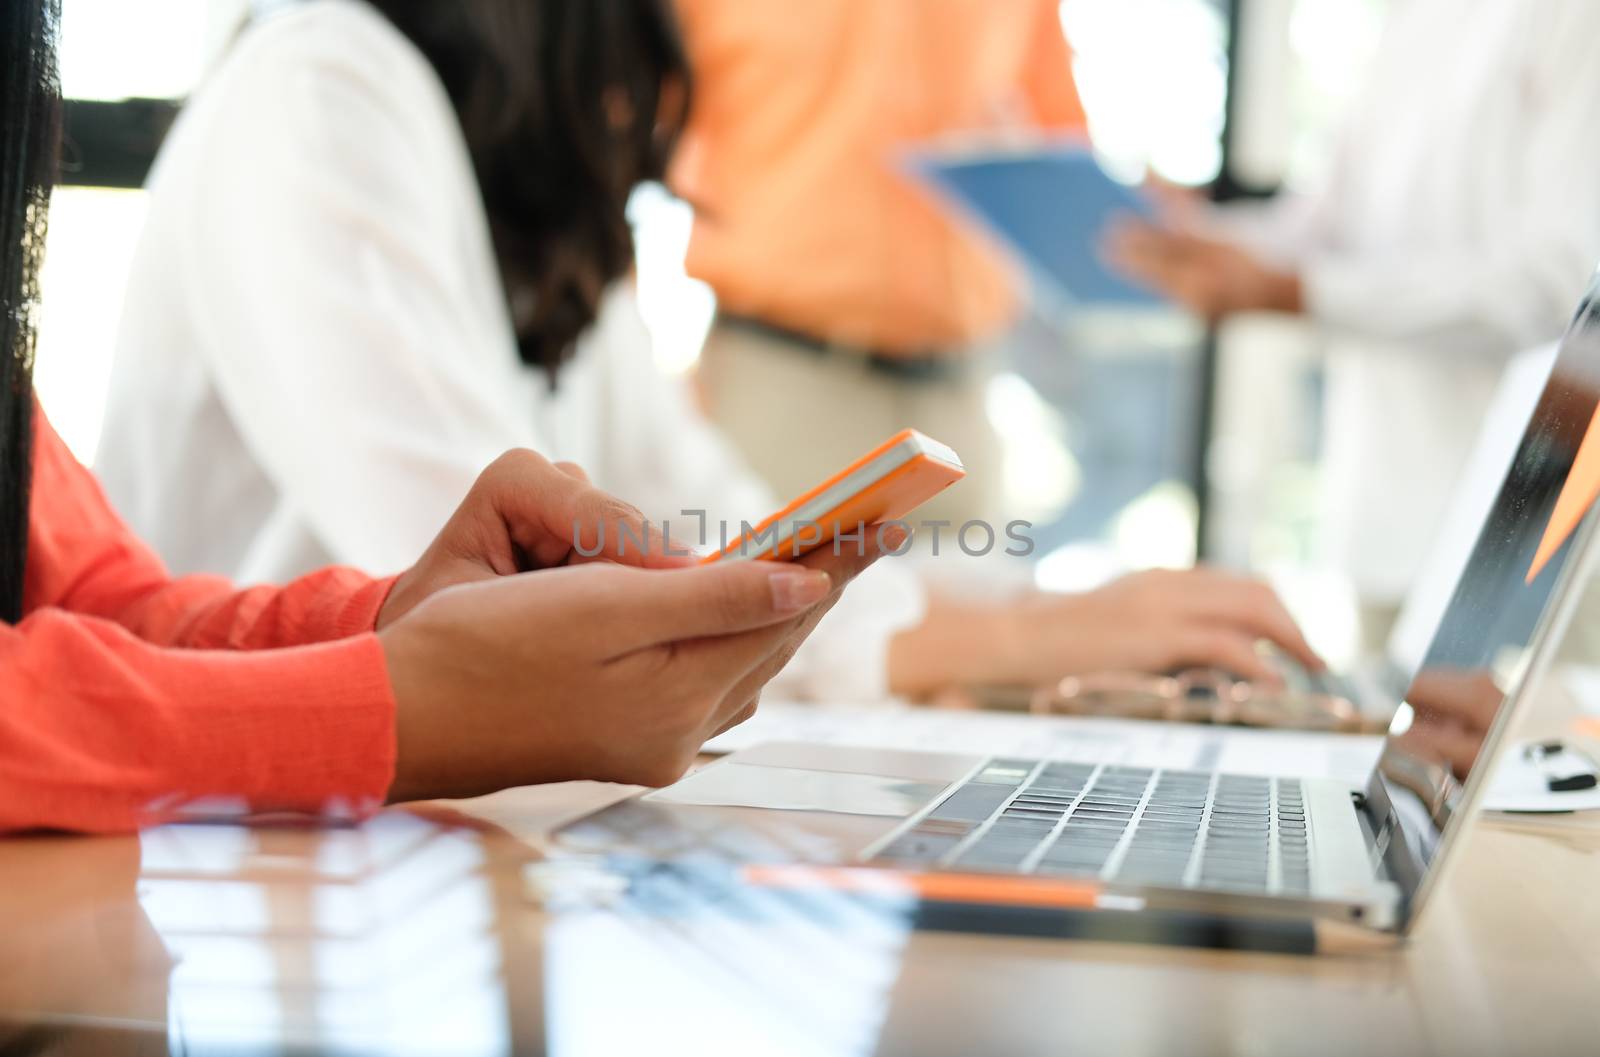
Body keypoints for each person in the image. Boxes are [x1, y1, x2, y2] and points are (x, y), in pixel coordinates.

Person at [96, 0, 1326, 706]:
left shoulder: (524, 156)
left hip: (425, 823)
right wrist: (999, 642)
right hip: (247, 854)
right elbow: (490, 586)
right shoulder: (321, 88)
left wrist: (1049, 613)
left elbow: (709, 513)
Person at [0, 0, 885, 834]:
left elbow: (93, 600)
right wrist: (395, 706)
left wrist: (391, 616)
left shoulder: (520, 171)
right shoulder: (318, 88)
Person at [1104, 0, 1600, 622]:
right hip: (1388, 530)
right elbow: (1331, 231)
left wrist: (1300, 292)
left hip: (1525, 550)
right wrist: (1193, 237)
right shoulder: (1410, 22)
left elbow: (1559, 294)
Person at [670, 0, 1084, 524]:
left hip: (960, 397)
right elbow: (626, 146)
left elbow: (1062, 138)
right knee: (770, 598)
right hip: (780, 384)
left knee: (983, 599)